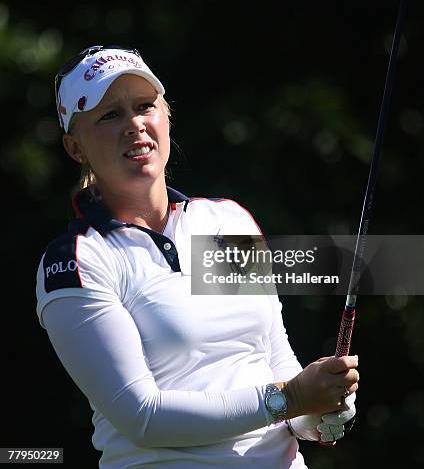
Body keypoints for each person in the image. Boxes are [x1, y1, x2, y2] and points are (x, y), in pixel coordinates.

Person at [36, 45, 359, 468]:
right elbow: (143, 416)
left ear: (166, 117)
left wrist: (315, 413)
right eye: (108, 115)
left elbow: (273, 357)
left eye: (145, 106)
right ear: (74, 147)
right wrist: (291, 398)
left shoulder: (226, 221)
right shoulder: (79, 259)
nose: (135, 125)